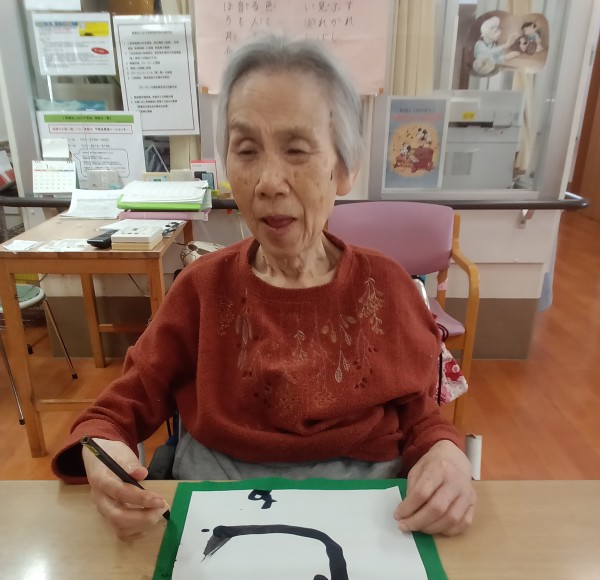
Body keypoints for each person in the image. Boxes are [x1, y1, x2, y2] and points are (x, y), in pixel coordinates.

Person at [52, 33, 476, 540]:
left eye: (296, 150)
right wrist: (104, 449)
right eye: (247, 150)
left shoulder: (387, 287)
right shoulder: (201, 289)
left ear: (344, 168)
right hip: (215, 512)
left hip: (367, 514)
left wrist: (444, 453)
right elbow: (119, 409)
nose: (269, 182)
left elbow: (420, 416)